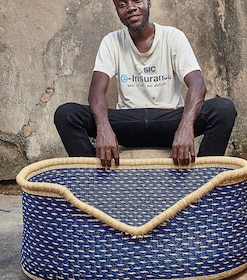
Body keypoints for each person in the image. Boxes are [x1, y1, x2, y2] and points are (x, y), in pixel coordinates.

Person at [54, 0, 237, 168]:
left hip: (169, 120)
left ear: (148, 2)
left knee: (223, 109)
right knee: (66, 114)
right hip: (129, 121)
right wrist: (103, 128)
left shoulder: (173, 37)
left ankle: (204, 179)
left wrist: (185, 127)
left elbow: (197, 84)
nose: (131, 7)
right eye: (122, 4)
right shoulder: (112, 41)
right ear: (117, 10)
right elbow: (96, 91)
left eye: (137, 1)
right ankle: (94, 183)